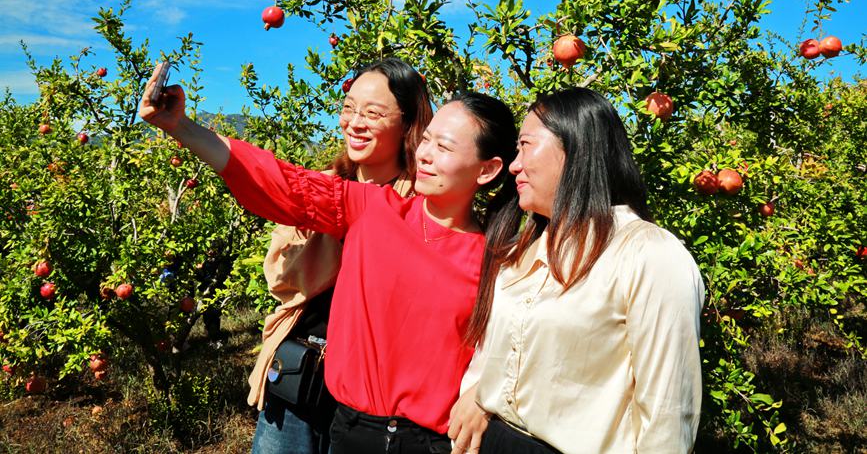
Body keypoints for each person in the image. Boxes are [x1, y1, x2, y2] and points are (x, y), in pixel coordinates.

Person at [138, 64, 519, 454]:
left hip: (435, 443)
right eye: (428, 140)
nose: (426, 155)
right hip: (351, 428)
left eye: (444, 147)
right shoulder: (375, 210)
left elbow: (514, 346)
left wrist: (479, 396)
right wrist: (181, 127)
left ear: (488, 170)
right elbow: (280, 181)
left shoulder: (502, 257)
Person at [449, 87, 705, 454]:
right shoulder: (527, 246)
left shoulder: (648, 253)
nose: (514, 164)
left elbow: (667, 411)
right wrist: (476, 396)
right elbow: (496, 355)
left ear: (576, 149)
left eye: (525, 145)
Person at [248, 59, 433, 454]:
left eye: (373, 112)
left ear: (408, 122)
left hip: (370, 398)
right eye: (349, 108)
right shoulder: (323, 188)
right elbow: (281, 278)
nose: (354, 122)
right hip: (299, 376)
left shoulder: (424, 207)